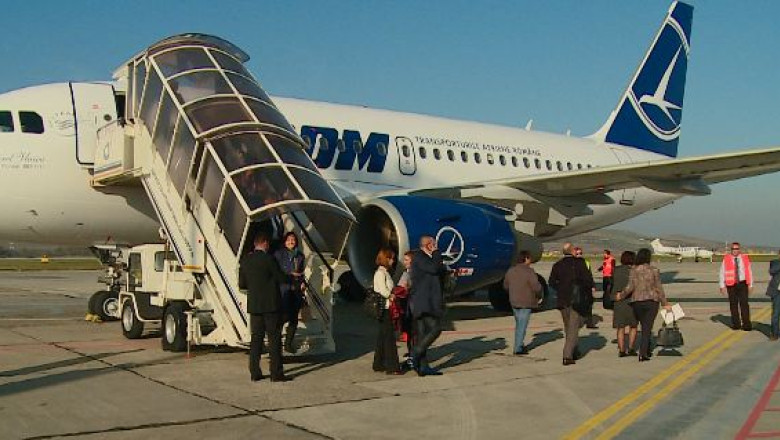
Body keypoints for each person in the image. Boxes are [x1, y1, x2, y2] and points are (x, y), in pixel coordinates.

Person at [238, 232, 291, 382]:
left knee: (256, 340)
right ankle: (276, 373)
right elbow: (280, 278)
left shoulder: (246, 260)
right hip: (271, 305)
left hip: (254, 305)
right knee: (274, 340)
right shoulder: (269, 259)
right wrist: (292, 277)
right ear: (266, 243)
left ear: (255, 244)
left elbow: (242, 284)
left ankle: (254, 372)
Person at [618, 248, 671, 362]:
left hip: (637, 301)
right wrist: (664, 303)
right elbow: (659, 288)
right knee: (647, 328)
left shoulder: (634, 270)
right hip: (651, 301)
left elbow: (630, 287)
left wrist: (621, 295)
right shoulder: (654, 270)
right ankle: (643, 353)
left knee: (642, 325)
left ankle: (644, 349)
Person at [549, 243, 595, 366]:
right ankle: (567, 355)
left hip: (562, 300)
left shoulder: (557, 265)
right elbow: (588, 280)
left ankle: (574, 350)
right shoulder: (579, 263)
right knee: (574, 327)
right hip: (577, 299)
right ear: (572, 251)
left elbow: (552, 282)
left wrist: (562, 288)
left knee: (569, 327)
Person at [409, 235, 449, 376]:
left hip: (427, 301)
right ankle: (415, 353)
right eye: (434, 244)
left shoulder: (429, 259)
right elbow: (433, 269)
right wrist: (437, 253)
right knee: (436, 329)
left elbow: (438, 271)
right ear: (428, 245)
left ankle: (422, 366)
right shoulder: (420, 257)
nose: (436, 246)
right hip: (423, 302)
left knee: (422, 334)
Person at [503, 250, 542, 355]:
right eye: (529, 258)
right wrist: (539, 295)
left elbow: (505, 286)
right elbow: (536, 287)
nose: (530, 261)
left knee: (519, 324)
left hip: (514, 301)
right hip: (526, 301)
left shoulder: (511, 271)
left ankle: (519, 344)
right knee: (522, 325)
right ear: (525, 259)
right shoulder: (529, 272)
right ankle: (518, 348)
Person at [372, 248, 403, 375]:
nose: (392, 261)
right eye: (390, 258)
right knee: (389, 338)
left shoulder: (385, 272)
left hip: (386, 308)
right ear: (386, 259)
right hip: (385, 308)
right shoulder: (380, 273)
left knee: (383, 337)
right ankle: (392, 366)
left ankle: (378, 363)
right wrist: (392, 295)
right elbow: (382, 291)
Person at [274, 231, 305, 353]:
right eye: (288, 240)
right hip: (284, 289)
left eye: (293, 240)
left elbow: (301, 272)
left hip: (296, 289)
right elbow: (276, 271)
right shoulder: (279, 254)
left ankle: (288, 344)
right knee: (283, 317)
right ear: (284, 241)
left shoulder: (300, 256)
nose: (291, 242)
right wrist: (289, 273)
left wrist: (302, 281)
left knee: (294, 319)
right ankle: (276, 342)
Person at [719, 242, 754, 331]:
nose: (735, 251)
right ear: (731, 250)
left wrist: (751, 284)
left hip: (742, 283)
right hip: (731, 284)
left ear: (739, 249)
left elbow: (749, 271)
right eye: (733, 249)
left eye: (737, 249)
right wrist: (722, 286)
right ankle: (736, 324)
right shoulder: (726, 259)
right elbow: (722, 272)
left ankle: (746, 324)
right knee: (733, 305)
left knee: (744, 304)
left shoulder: (745, 258)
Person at [611, 251, 638, 357]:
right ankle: (631, 348)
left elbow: (611, 284)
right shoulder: (635, 271)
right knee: (633, 326)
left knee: (620, 327)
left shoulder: (616, 270)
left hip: (618, 301)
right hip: (632, 301)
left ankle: (621, 350)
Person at [395, 251, 415, 357]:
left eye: (407, 260)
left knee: (412, 329)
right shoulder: (406, 272)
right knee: (408, 329)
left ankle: (413, 352)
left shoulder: (411, 274)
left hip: (411, 305)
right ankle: (411, 350)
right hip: (406, 304)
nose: (404, 262)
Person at [574, 246, 598, 329]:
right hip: (576, 286)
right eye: (577, 254)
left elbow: (589, 275)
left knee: (589, 304)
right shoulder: (572, 263)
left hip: (586, 286)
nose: (579, 255)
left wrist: (593, 285)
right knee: (578, 304)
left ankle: (589, 323)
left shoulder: (586, 262)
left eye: (580, 253)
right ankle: (578, 322)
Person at [766, 250, 780, 341]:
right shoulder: (774, 262)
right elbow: (771, 271)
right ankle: (774, 334)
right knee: (775, 314)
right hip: (777, 292)